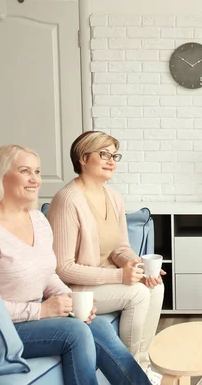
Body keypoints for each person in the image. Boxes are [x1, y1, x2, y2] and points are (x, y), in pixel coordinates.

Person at [0, 145, 150, 385]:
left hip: (31, 317)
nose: (35, 180)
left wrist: (69, 298)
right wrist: (41, 311)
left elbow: (48, 273)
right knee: (75, 332)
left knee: (97, 326)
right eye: (25, 171)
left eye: (38, 171)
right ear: (0, 176)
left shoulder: (37, 218)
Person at [47, 131, 165, 382]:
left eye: (114, 155)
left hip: (105, 280)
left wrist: (138, 266)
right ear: (82, 158)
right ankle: (131, 372)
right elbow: (63, 268)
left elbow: (120, 246)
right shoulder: (67, 200)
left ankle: (142, 363)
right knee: (138, 293)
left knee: (154, 286)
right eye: (104, 154)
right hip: (77, 288)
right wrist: (119, 275)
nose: (112, 160)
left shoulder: (113, 196)